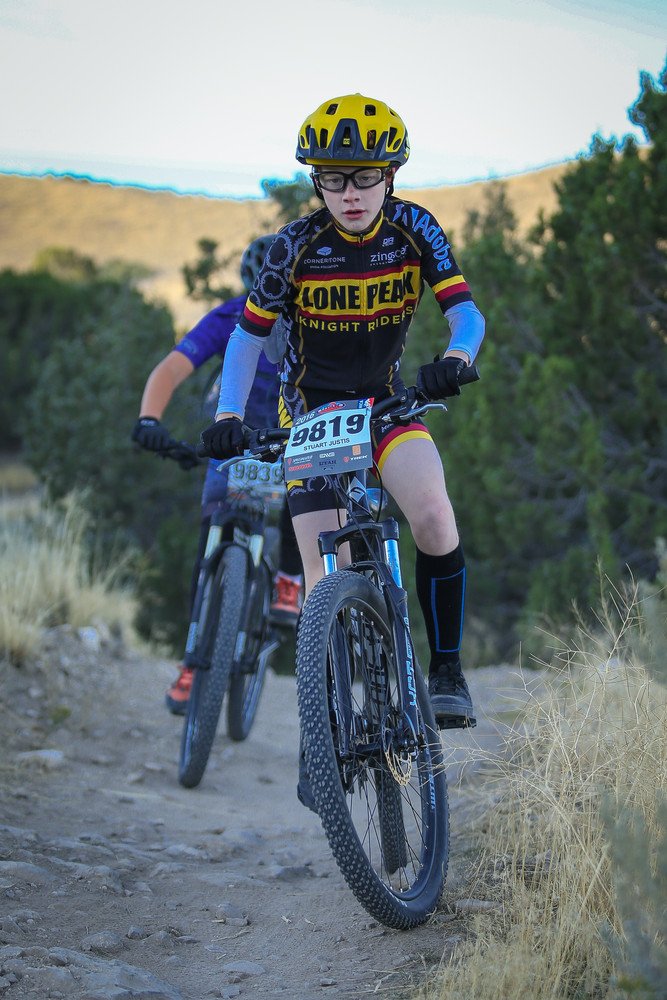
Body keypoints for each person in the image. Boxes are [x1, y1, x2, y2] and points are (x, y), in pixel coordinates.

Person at [200, 93, 485, 761]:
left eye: (364, 176)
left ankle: (446, 672)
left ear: (390, 175)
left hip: (386, 406)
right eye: (333, 178)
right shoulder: (294, 246)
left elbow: (464, 312)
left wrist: (455, 358)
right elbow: (246, 339)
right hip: (310, 416)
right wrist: (228, 416)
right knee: (322, 575)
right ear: (316, 181)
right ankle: (324, 725)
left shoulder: (415, 228)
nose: (350, 192)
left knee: (434, 516)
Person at [132, 235, 304, 714]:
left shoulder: (311, 318)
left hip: (292, 433)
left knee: (303, 490)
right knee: (212, 536)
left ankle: (289, 579)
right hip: (234, 439)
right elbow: (172, 368)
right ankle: (193, 660)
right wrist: (149, 419)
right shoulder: (230, 317)